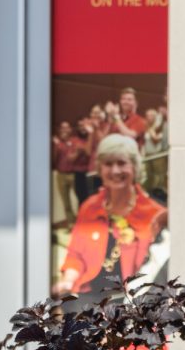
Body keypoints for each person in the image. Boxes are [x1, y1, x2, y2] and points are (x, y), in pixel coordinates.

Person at [52, 133, 167, 299]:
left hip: (133, 300)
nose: (115, 170)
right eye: (108, 164)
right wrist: (68, 281)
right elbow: (75, 255)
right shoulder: (89, 207)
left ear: (134, 167)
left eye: (122, 163)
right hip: (89, 295)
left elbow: (158, 270)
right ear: (100, 169)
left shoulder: (155, 214)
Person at [51, 121, 89, 227]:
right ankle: (71, 224)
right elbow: (53, 160)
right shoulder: (56, 142)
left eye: (67, 128)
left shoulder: (75, 141)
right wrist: (56, 147)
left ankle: (82, 222)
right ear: (59, 130)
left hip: (73, 174)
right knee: (66, 202)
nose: (64, 130)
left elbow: (73, 157)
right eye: (62, 128)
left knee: (80, 199)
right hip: (60, 175)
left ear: (70, 130)